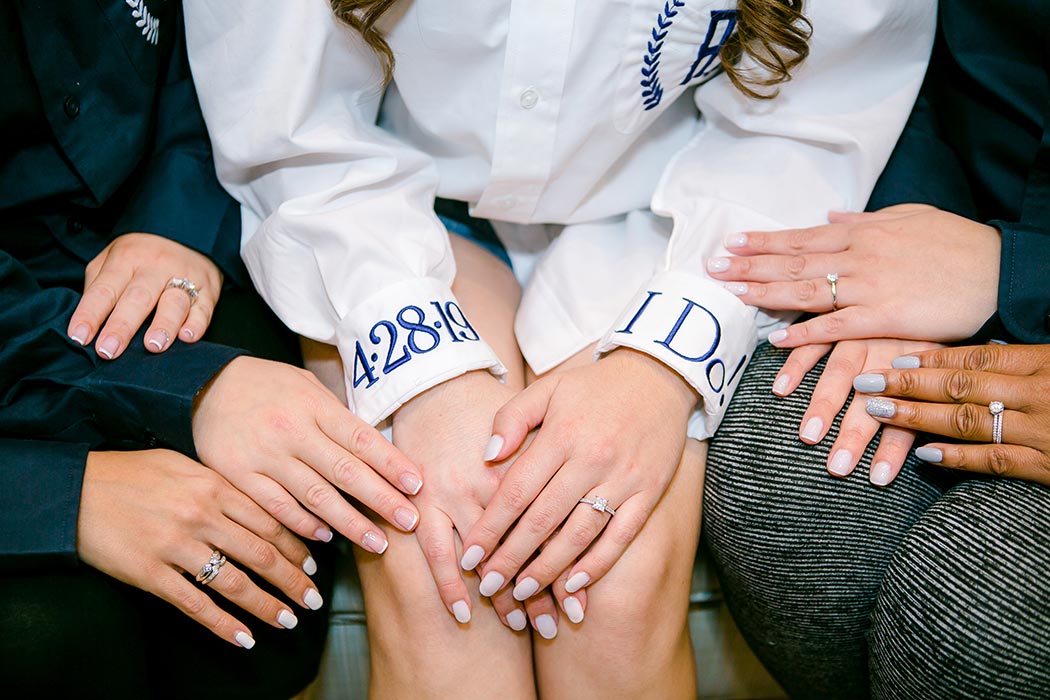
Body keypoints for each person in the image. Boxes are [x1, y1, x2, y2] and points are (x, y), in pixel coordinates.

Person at [184, 0, 935, 697]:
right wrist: (424, 375)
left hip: (670, 212)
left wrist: (661, 364)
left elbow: (811, 119)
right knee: (441, 580)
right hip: (392, 207)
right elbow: (293, 124)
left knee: (610, 589)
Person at [0, 3, 425, 698]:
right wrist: (68, 493)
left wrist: (178, 219)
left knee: (258, 577)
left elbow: (217, 58)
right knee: (47, 638)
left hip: (131, 234)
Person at [701, 0, 1050, 696]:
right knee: (788, 478)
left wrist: (1017, 275)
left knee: (983, 612)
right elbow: (908, 44)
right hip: (980, 211)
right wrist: (911, 238)